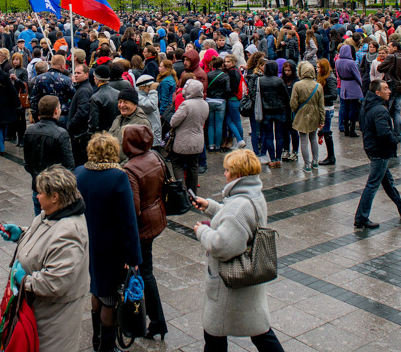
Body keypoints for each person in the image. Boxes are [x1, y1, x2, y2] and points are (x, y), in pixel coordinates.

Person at [189, 149, 285, 351]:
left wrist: (202, 231)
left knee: (215, 335)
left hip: (228, 286)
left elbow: (221, 245)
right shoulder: (252, 194)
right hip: (248, 284)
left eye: (227, 170)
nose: (224, 173)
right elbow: (235, 219)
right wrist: (210, 206)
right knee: (260, 332)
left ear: (238, 174)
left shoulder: (239, 205)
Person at [0, 165, 89, 352]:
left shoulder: (69, 232)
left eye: (40, 193)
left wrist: (25, 281)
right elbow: (44, 240)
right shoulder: (51, 214)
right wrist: (21, 234)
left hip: (53, 321)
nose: (37, 196)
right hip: (40, 313)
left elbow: (56, 282)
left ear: (55, 197)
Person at [75, 133, 141, 352]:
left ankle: (96, 338)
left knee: (97, 290)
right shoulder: (117, 177)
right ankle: (106, 346)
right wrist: (133, 258)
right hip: (111, 247)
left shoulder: (79, 173)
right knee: (110, 298)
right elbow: (128, 221)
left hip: (88, 243)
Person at [122, 124, 168, 341]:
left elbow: (133, 208)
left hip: (143, 227)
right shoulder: (155, 157)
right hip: (157, 216)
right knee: (144, 270)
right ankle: (155, 320)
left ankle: (157, 321)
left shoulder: (130, 168)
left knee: (144, 272)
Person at [353, 80, 401, 229]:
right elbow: (384, 133)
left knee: (387, 181)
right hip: (379, 151)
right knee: (373, 184)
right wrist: (395, 140)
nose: (389, 91)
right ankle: (361, 217)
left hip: (371, 147)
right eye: (386, 89)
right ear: (378, 93)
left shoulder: (368, 105)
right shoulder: (380, 110)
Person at [23, 95, 75, 216]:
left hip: (38, 187)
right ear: (56, 111)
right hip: (56, 191)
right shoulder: (61, 134)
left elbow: (27, 164)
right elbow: (69, 165)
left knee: (40, 221)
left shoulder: (29, 131)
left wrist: (36, 175)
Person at [168, 79, 209, 193]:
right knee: (193, 166)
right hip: (198, 140)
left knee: (177, 164)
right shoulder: (205, 104)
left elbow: (173, 122)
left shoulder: (186, 104)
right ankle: (193, 193)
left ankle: (183, 191)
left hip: (183, 140)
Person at [289, 61, 324, 172]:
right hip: (315, 113)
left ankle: (307, 164)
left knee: (303, 139)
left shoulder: (297, 85)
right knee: (313, 137)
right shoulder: (318, 86)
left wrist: (295, 110)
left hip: (302, 113)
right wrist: (322, 120)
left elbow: (293, 103)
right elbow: (321, 105)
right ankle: (315, 162)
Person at [255, 61, 291, 167]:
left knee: (268, 136)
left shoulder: (260, 80)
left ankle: (272, 158)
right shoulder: (279, 81)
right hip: (280, 110)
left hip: (266, 111)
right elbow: (286, 97)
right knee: (279, 136)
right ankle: (278, 158)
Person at [108, 87, 151, 160]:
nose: (121, 105)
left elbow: (140, 154)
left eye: (125, 102)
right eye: (120, 102)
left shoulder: (142, 123)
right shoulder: (117, 120)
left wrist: (121, 168)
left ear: (135, 104)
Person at [66, 62, 94, 166]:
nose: (76, 75)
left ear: (86, 74)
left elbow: (83, 111)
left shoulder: (84, 90)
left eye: (79, 73)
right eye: (75, 73)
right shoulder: (82, 88)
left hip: (79, 135)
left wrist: (71, 124)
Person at [336, 44, 363, 137]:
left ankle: (346, 128)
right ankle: (352, 129)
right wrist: (361, 85)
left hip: (343, 84)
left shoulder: (338, 61)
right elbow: (357, 75)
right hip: (353, 85)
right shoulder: (351, 63)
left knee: (344, 108)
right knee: (353, 109)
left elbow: (338, 73)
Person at [316, 59, 338, 166]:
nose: (317, 69)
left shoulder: (330, 78)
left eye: (319, 67)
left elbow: (334, 95)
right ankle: (330, 156)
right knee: (325, 132)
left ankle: (331, 156)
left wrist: (320, 98)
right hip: (323, 108)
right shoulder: (323, 77)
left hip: (327, 109)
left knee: (327, 132)